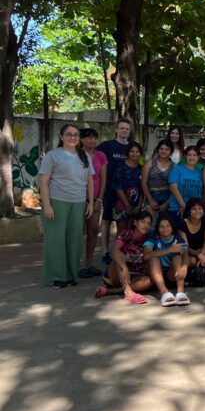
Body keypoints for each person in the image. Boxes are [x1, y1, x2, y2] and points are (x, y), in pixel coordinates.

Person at [39, 124, 95, 288]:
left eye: (76, 134)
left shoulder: (84, 155)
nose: (73, 137)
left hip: (78, 203)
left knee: (74, 240)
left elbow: (90, 180)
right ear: (61, 137)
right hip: (57, 202)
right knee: (56, 239)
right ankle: (56, 276)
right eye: (69, 134)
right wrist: (47, 205)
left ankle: (70, 275)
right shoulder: (52, 156)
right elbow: (43, 181)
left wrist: (90, 202)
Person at [94, 211, 153, 304]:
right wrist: (124, 267)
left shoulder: (149, 239)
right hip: (116, 273)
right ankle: (128, 293)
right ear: (135, 223)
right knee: (119, 253)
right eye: (143, 222)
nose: (145, 225)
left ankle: (110, 291)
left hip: (134, 276)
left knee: (148, 281)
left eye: (148, 223)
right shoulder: (127, 234)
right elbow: (115, 250)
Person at [96, 118, 131, 259]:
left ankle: (122, 250)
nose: (124, 131)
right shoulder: (106, 146)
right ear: (116, 129)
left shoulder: (133, 146)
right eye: (122, 128)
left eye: (127, 129)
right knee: (107, 220)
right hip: (110, 188)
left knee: (124, 223)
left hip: (127, 191)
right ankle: (105, 252)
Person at [143, 213, 190, 306]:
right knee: (153, 258)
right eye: (162, 227)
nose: (165, 229)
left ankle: (180, 292)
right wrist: (169, 250)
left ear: (172, 226)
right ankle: (164, 293)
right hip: (155, 275)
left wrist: (184, 268)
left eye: (168, 226)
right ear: (157, 228)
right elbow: (146, 256)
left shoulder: (178, 239)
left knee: (177, 257)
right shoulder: (153, 239)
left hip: (172, 274)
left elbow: (185, 255)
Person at [79, 128, 107, 279]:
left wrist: (99, 199)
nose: (92, 141)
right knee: (76, 233)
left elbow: (103, 179)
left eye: (95, 138)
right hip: (77, 200)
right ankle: (73, 264)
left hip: (95, 200)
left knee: (94, 230)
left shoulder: (101, 156)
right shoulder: (76, 155)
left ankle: (88, 264)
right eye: (89, 138)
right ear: (82, 140)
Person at [112, 142, 144, 232]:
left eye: (137, 152)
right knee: (121, 233)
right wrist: (127, 205)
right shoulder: (120, 166)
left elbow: (143, 189)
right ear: (127, 153)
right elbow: (118, 187)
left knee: (131, 232)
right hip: (121, 205)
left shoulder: (141, 169)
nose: (135, 154)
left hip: (136, 206)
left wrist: (139, 205)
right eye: (132, 151)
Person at [141, 139, 175, 224]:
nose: (164, 151)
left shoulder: (174, 166)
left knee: (165, 226)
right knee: (150, 225)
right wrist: (150, 200)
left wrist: (167, 203)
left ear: (171, 151)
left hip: (167, 197)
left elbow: (175, 187)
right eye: (161, 149)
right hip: (151, 195)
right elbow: (143, 183)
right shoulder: (149, 163)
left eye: (167, 149)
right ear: (157, 150)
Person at [177, 198, 205, 272]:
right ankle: (190, 273)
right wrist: (199, 255)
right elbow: (185, 247)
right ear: (189, 211)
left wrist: (203, 252)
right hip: (188, 252)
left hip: (201, 249)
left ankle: (202, 270)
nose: (197, 211)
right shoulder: (182, 225)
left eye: (200, 208)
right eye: (194, 209)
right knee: (192, 261)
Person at [168, 145, 203, 224]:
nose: (191, 157)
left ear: (198, 157)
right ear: (185, 156)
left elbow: (201, 192)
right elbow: (173, 187)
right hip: (178, 208)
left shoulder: (200, 172)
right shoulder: (177, 169)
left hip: (195, 211)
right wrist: (183, 205)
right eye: (189, 155)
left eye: (194, 155)